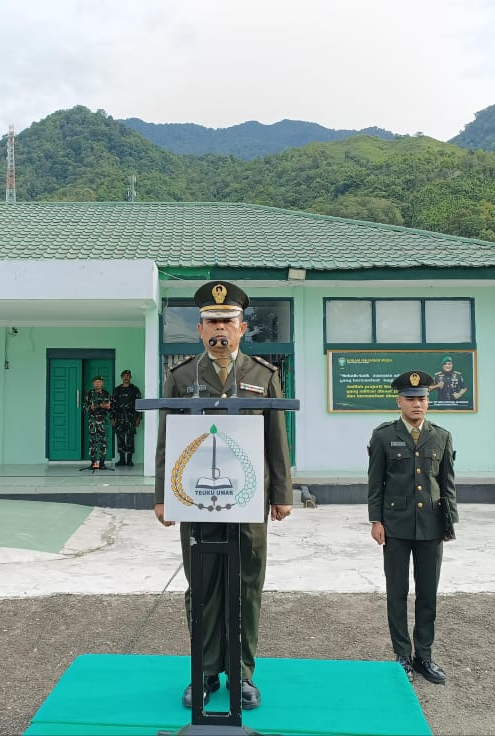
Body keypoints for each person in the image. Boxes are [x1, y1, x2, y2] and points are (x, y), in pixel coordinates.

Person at [154, 280, 292, 711]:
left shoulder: (262, 375)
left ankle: (243, 674)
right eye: (212, 322)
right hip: (196, 499)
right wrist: (162, 494)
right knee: (203, 585)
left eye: (227, 322)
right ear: (199, 329)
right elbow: (166, 439)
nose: (219, 330)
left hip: (249, 501)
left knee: (246, 584)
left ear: (242, 328)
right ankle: (206, 672)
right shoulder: (180, 377)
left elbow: (276, 439)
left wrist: (282, 492)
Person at [367, 369, 458, 685]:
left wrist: (449, 522)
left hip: (431, 526)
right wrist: (376, 520)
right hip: (395, 525)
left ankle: (425, 656)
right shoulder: (383, 436)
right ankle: (402, 656)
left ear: (428, 401)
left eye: (421, 399)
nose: (416, 404)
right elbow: (376, 482)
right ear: (399, 401)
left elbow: (447, 485)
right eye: (410, 399)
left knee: (428, 593)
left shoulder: (441, 436)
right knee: (397, 592)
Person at [110, 370, 142, 466]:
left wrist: (138, 418)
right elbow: (112, 404)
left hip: (131, 417)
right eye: (124, 376)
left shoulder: (135, 389)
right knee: (120, 438)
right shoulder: (117, 390)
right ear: (121, 377)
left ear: (130, 377)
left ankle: (129, 460)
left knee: (130, 438)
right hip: (119, 417)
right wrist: (112, 417)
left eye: (128, 376)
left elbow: (139, 405)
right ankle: (122, 459)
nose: (126, 377)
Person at [83, 376, 111, 470]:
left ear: (102, 383)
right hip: (92, 421)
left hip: (102, 421)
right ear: (93, 383)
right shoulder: (89, 394)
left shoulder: (106, 393)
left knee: (103, 442)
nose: (97, 384)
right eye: (95, 382)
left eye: (99, 382)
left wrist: (106, 406)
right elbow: (84, 407)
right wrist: (90, 408)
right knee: (92, 442)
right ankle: (94, 463)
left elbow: (110, 406)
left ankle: (102, 463)